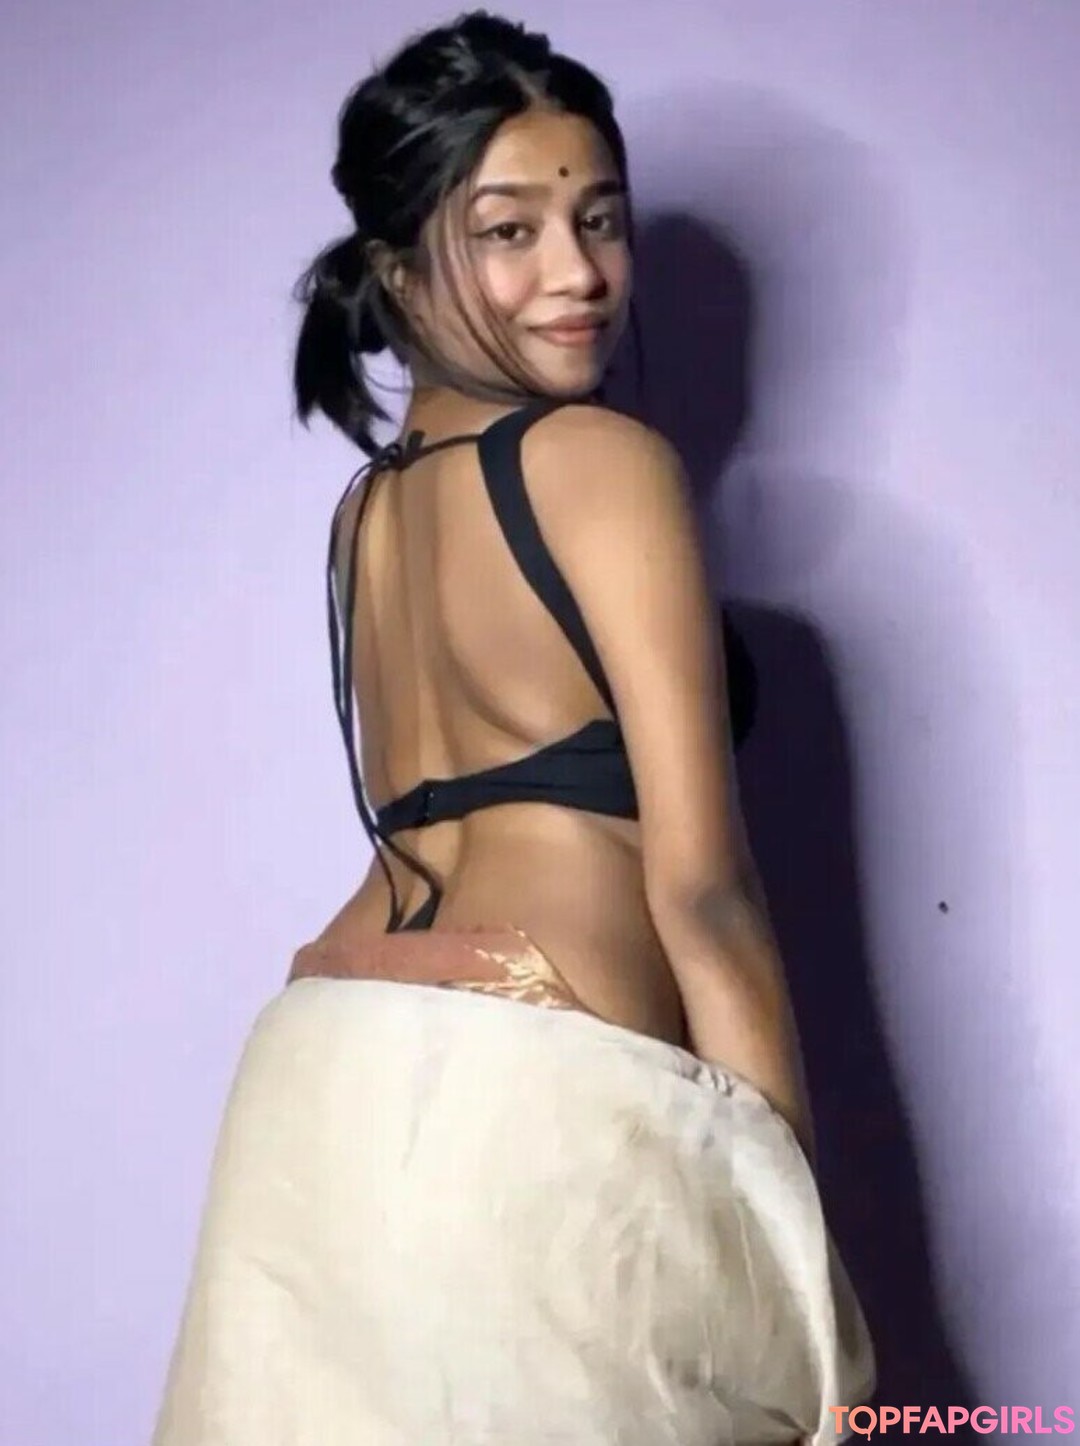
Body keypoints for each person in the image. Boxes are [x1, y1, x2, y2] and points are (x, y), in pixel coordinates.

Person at [152, 13, 876, 1445]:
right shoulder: (605, 463)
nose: (579, 273)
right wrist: (795, 1250)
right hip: (543, 1090)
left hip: (324, 1069)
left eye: (598, 218)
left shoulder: (364, 513)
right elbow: (702, 888)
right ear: (397, 269)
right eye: (509, 231)